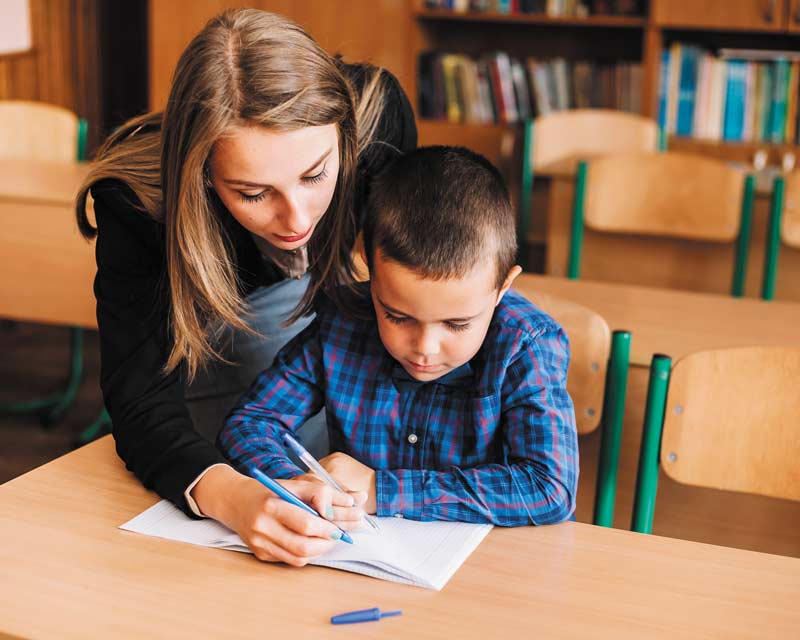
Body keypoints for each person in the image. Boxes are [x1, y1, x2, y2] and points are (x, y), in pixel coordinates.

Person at [74, 8, 416, 565]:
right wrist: (232, 496)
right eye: (253, 193)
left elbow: (409, 287)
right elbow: (141, 404)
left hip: (330, 356)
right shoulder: (139, 204)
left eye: (315, 175)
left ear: (345, 136)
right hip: (210, 367)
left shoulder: (379, 118)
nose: (297, 219)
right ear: (201, 172)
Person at [218, 146, 579, 526]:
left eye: (457, 324)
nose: (425, 348)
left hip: (486, 572)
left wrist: (381, 490)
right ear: (368, 267)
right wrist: (299, 484)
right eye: (397, 316)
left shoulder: (526, 345)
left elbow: (550, 487)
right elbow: (250, 423)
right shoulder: (343, 323)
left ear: (502, 287)